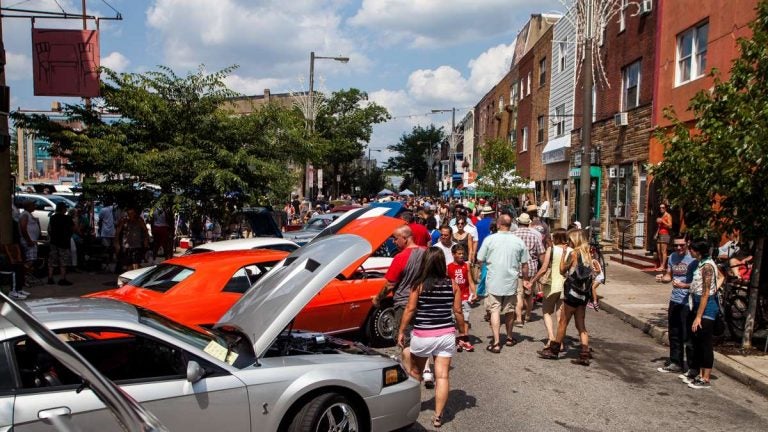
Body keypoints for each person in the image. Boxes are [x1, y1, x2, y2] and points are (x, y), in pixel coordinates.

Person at [397, 247, 467, 429]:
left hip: (423, 335)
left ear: (425, 263)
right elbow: (458, 311)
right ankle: (438, 416)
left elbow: (410, 309)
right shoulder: (452, 284)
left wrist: (401, 330)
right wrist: (463, 332)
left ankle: (410, 410)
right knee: (442, 376)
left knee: (415, 373)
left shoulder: (418, 284)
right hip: (445, 335)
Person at [372, 226, 426, 378]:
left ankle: (410, 374)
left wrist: (377, 298)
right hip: (424, 301)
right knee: (421, 338)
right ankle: (421, 370)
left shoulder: (400, 257)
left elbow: (389, 284)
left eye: (395, 238)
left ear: (406, 238)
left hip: (404, 303)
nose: (394, 242)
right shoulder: (426, 253)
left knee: (405, 340)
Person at [537, 229, 594, 366]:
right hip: (583, 295)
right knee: (581, 325)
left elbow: (562, 270)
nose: (568, 242)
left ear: (575, 240)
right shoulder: (588, 254)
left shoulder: (574, 253)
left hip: (572, 293)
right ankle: (584, 354)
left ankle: (554, 350)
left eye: (570, 240)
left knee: (563, 322)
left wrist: (563, 255)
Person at [476, 214, 530, 353]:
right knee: (510, 311)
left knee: (494, 310)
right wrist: (526, 280)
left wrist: (489, 264)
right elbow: (524, 265)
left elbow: (480, 258)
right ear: (511, 225)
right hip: (511, 281)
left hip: (494, 280)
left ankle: (496, 342)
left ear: (498, 224)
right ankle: (510, 337)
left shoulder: (490, 240)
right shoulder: (518, 241)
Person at [655, 235, 697, 374]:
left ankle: (692, 367)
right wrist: (662, 279)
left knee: (688, 336)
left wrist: (684, 285)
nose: (679, 248)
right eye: (676, 245)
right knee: (674, 332)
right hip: (675, 300)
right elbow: (669, 276)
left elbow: (698, 284)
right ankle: (675, 362)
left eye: (682, 245)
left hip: (688, 302)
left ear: (688, 243)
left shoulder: (693, 259)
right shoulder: (672, 257)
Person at [685, 239, 719, 389]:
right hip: (697, 303)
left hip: (707, 306)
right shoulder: (701, 264)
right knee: (698, 341)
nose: (689, 251)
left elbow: (705, 293)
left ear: (698, 251)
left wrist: (698, 316)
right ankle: (699, 373)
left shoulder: (707, 267)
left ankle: (706, 378)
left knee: (705, 343)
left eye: (691, 249)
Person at [529, 228, 569, 349]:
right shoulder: (571, 251)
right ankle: (559, 342)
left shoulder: (551, 250)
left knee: (546, 311)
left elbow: (543, 269)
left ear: (555, 238)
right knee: (560, 316)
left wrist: (532, 281)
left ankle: (551, 338)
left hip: (551, 285)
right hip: (565, 286)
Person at [512, 212, 544, 326]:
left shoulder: (513, 235)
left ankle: (519, 318)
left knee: (518, 294)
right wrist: (543, 267)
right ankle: (528, 316)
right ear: (528, 224)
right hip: (531, 268)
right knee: (529, 294)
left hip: (516, 268)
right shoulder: (535, 236)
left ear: (518, 222)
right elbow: (541, 253)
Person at [447, 243, 476, 352]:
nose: (461, 256)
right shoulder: (449, 267)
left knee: (466, 318)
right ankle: (460, 339)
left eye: (463, 254)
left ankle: (465, 339)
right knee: (456, 319)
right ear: (453, 254)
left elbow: (470, 280)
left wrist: (474, 292)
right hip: (454, 297)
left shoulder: (466, 265)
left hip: (465, 295)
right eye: (459, 254)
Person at [47, 202, 74, 286]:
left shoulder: (52, 218)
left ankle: (50, 278)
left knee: (52, 260)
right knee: (63, 261)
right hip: (64, 242)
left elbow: (49, 229)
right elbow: (73, 228)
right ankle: (62, 279)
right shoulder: (67, 218)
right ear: (63, 209)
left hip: (54, 241)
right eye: (65, 208)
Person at [18, 200, 41, 265]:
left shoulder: (28, 214)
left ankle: (28, 273)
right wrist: (28, 240)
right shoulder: (25, 214)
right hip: (29, 240)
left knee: (32, 259)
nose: (34, 206)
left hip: (32, 240)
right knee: (30, 260)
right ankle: (26, 273)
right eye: (33, 205)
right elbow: (23, 228)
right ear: (28, 206)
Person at [655, 203, 673, 271]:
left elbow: (670, 226)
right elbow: (659, 226)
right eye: (660, 208)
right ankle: (661, 265)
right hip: (659, 234)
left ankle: (663, 266)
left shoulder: (668, 215)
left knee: (663, 251)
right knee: (659, 251)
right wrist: (656, 233)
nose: (661, 209)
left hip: (665, 234)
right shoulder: (661, 215)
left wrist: (663, 221)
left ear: (665, 208)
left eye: (663, 207)